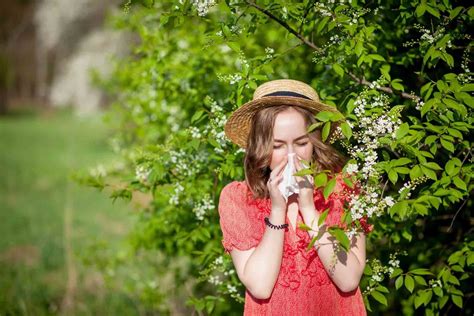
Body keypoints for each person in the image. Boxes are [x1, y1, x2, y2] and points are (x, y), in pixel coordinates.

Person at [218, 79, 372, 315]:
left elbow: (349, 279)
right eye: (278, 146)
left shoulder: (343, 189)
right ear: (262, 146)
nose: (291, 156)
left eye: (301, 143)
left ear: (315, 142)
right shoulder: (238, 198)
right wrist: (278, 211)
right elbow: (260, 286)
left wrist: (309, 209)